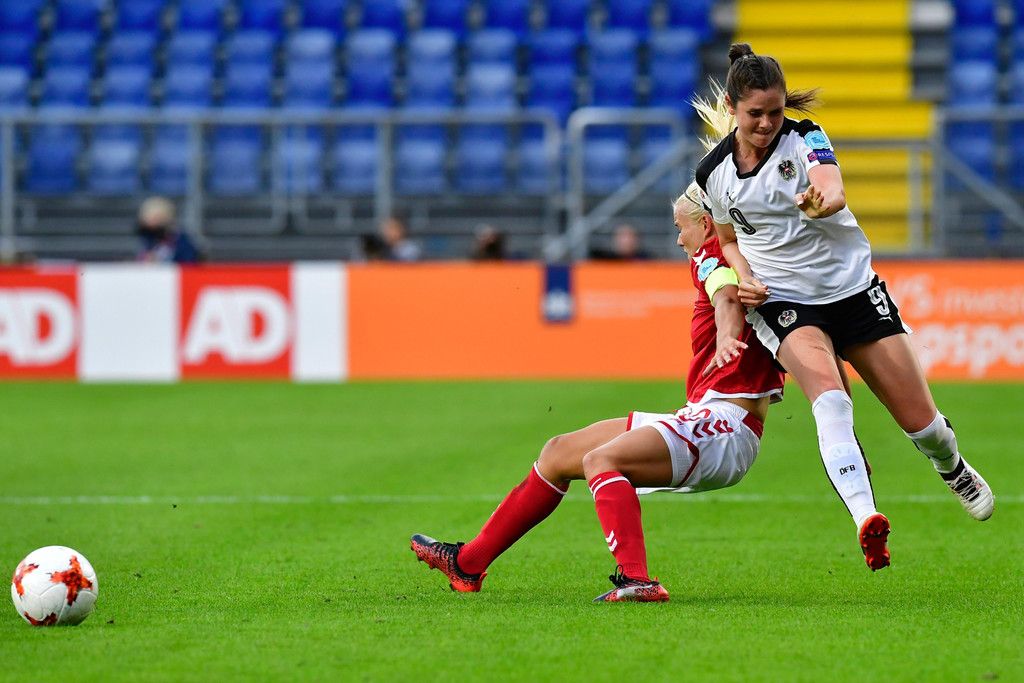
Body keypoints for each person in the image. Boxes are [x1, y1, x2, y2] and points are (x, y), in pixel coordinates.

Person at [411, 178, 786, 602]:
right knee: (557, 454)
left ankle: (637, 580)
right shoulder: (743, 257)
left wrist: (727, 333)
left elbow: (726, 296)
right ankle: (467, 564)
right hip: (704, 416)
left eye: (680, 227)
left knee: (600, 460)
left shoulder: (712, 255)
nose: (678, 239)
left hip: (727, 426)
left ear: (705, 223)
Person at [695, 43, 994, 571]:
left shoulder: (806, 137)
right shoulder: (712, 173)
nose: (766, 124)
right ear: (731, 108)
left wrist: (821, 203)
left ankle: (951, 466)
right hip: (785, 300)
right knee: (830, 401)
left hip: (852, 289)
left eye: (775, 111)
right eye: (755, 113)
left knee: (923, 425)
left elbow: (832, 188)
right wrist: (745, 277)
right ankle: (866, 517)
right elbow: (728, 240)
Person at [135, 196, 202, 264]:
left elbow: (189, 263)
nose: (150, 226)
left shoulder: (182, 243)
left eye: (156, 219)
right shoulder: (148, 241)